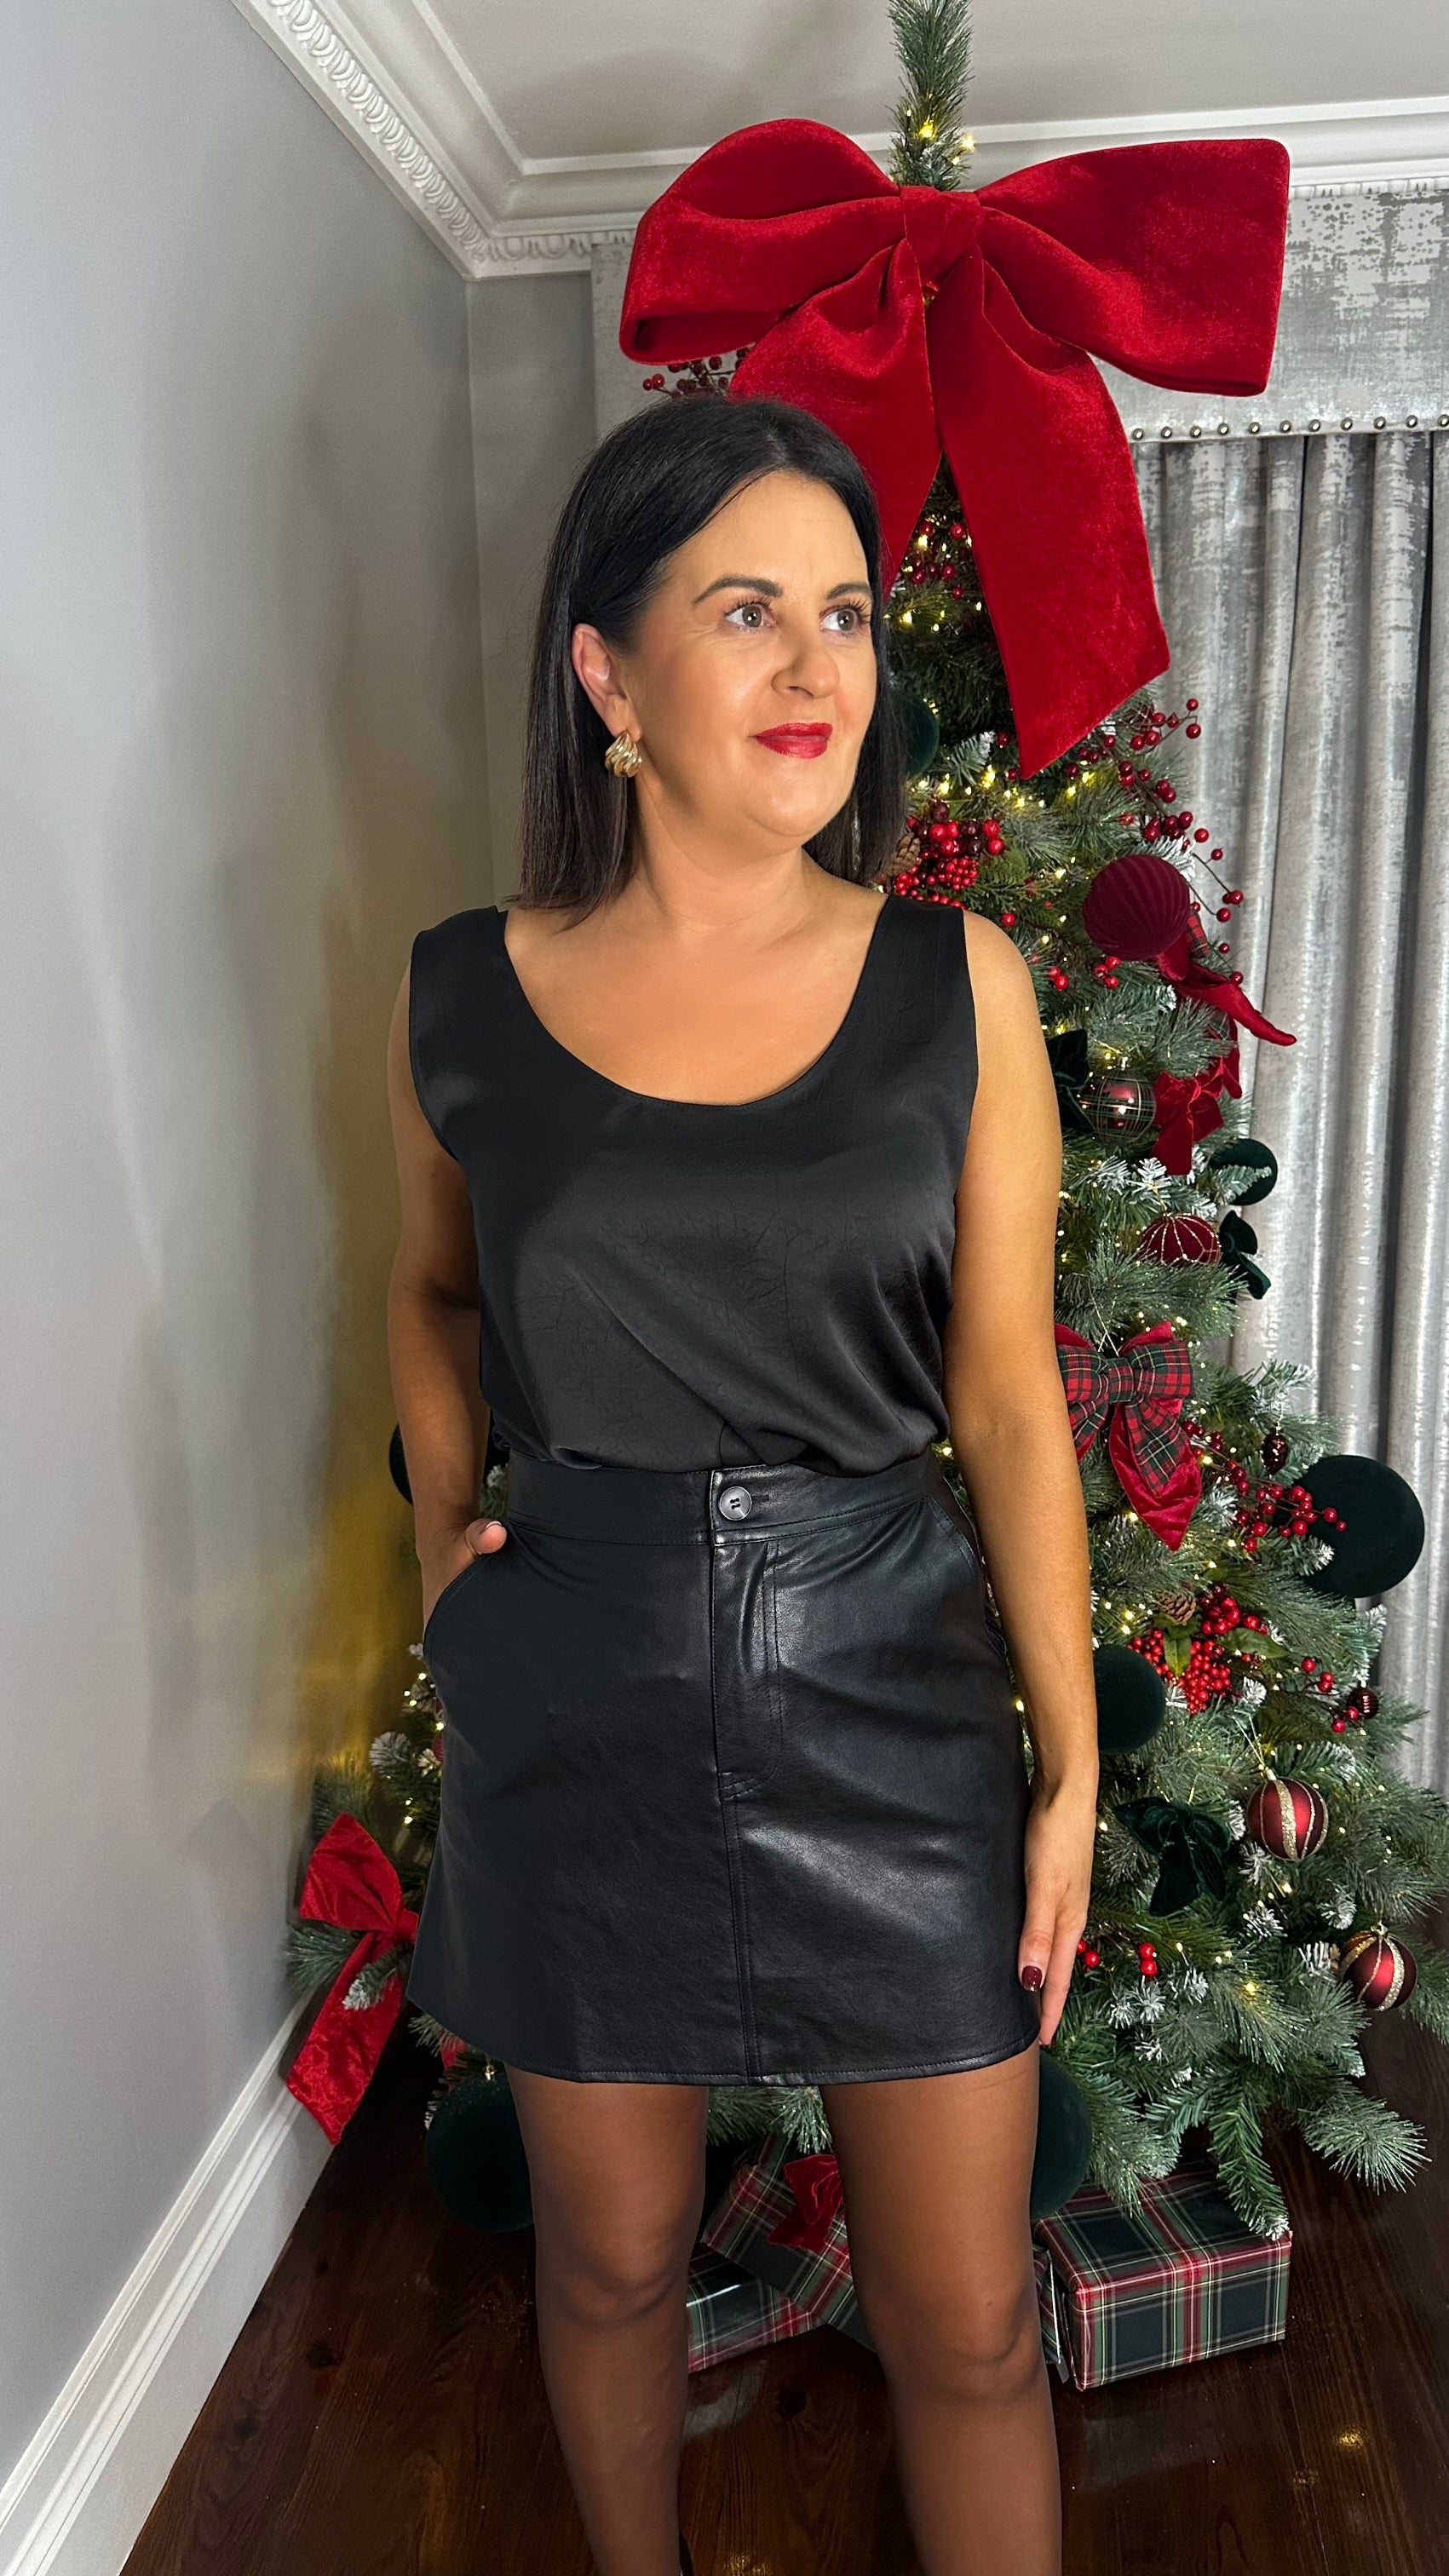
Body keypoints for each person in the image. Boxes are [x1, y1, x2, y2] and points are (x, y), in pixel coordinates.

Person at [386, 394, 1097, 2576]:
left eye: (847, 615)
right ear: (605, 674)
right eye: (745, 612)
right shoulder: (460, 994)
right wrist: (439, 1558)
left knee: (965, 2322)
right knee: (610, 2276)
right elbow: (429, 1296)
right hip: (571, 1693)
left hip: (892, 1687)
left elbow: (1004, 1399)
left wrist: (1065, 1766)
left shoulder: (957, 986)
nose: (817, 669)